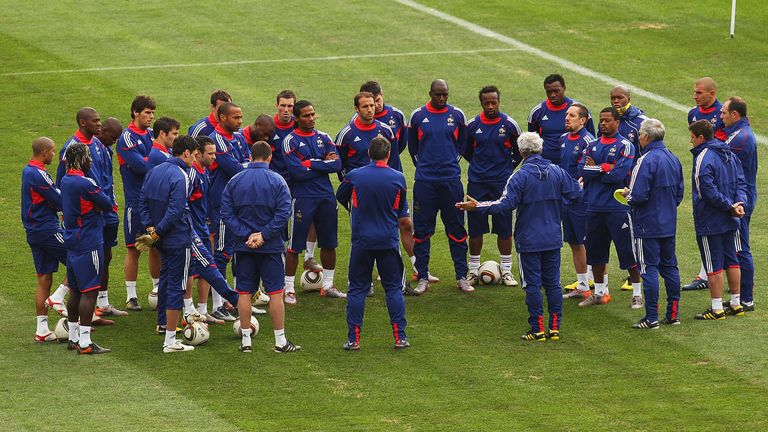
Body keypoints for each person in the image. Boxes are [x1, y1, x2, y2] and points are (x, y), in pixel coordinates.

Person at [457, 132, 581, 341]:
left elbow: (505, 204)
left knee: (532, 284)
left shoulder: (520, 176)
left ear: (521, 152)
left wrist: (477, 206)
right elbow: (576, 194)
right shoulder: (557, 172)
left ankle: (537, 329)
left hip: (529, 240)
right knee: (553, 283)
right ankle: (555, 328)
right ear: (540, 149)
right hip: (552, 237)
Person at [138, 135, 241, 351]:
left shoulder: (154, 171)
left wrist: (151, 229)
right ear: (186, 153)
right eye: (194, 155)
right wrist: (157, 233)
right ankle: (170, 341)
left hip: (165, 236)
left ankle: (163, 323)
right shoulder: (181, 175)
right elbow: (176, 211)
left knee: (169, 276)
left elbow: (143, 202)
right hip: (180, 236)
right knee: (182, 282)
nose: (195, 160)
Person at [222, 141, 300, 353]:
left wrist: (247, 235)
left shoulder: (235, 180)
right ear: (269, 157)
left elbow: (227, 213)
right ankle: (280, 341)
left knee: (244, 292)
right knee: (275, 292)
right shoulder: (277, 180)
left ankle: (246, 341)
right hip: (271, 247)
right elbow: (284, 213)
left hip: (243, 246)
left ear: (250, 156)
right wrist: (263, 235)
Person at [337, 136, 410, 350]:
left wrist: (355, 209)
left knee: (357, 289)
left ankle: (353, 340)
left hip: (362, 241)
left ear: (369, 154)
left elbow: (340, 196)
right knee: (393, 289)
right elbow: (400, 209)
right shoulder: (398, 178)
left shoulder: (355, 176)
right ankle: (400, 338)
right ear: (389, 154)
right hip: (388, 240)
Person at [56, 108, 124, 321]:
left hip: (104, 211)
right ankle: (83, 318)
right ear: (83, 122)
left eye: (99, 120)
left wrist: (109, 204)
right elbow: (63, 183)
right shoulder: (72, 148)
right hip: (87, 217)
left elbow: (106, 177)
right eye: (95, 121)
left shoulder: (98, 144)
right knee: (89, 263)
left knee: (106, 255)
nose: (99, 124)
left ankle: (100, 306)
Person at [358, 80, 427, 285]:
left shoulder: (396, 116)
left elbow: (401, 145)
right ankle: (384, 269)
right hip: (373, 186)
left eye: (377, 101)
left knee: (405, 223)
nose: (374, 107)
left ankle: (419, 268)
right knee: (382, 227)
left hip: (395, 181)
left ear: (381, 96)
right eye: (369, 103)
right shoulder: (356, 124)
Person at [408, 79, 471, 294]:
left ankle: (461, 277)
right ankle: (422, 277)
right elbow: (412, 148)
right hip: (425, 183)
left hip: (451, 181)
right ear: (430, 94)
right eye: (438, 95)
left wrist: (450, 163)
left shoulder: (458, 115)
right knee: (423, 231)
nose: (442, 98)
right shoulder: (417, 116)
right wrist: (426, 167)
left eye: (445, 94)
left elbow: (463, 144)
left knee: (456, 229)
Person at [622, 119, 684, 329]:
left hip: (647, 225)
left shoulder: (645, 160)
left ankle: (651, 318)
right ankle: (673, 314)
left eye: (640, 135)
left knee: (648, 269)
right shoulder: (674, 159)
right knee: (670, 267)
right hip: (668, 223)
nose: (639, 138)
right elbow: (679, 194)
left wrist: (627, 195)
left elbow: (638, 195)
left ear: (646, 137)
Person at [283, 100, 346, 302]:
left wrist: (311, 163)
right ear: (296, 118)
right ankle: (289, 289)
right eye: (306, 116)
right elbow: (297, 172)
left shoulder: (323, 137)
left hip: (326, 197)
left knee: (329, 243)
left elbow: (336, 164)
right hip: (303, 197)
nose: (311, 119)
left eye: (312, 115)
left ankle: (328, 285)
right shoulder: (290, 141)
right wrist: (322, 165)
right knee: (294, 246)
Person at [578, 107, 641, 307]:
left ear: (617, 122)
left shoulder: (626, 145)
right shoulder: (593, 144)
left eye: (607, 120)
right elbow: (581, 169)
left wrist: (596, 167)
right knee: (595, 253)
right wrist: (605, 167)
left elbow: (619, 175)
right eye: (601, 120)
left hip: (617, 209)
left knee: (628, 252)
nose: (603, 124)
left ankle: (637, 294)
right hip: (594, 207)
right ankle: (600, 293)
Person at [688, 120, 747, 320]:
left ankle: (717, 308)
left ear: (701, 138)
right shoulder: (729, 154)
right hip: (731, 217)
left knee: (713, 263)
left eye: (692, 137)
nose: (691, 141)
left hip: (710, 219)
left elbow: (706, 191)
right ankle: (736, 303)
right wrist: (738, 204)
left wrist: (729, 206)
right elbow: (741, 182)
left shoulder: (703, 157)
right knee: (732, 259)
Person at [463, 85, 522, 287]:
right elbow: (467, 151)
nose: (490, 106)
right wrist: (481, 167)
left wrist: (507, 168)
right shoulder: (472, 125)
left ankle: (506, 271)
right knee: (476, 229)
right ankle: (472, 271)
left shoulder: (510, 124)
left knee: (504, 228)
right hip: (477, 183)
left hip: (502, 184)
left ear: (499, 102)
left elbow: (520, 151)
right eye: (486, 103)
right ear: (481, 103)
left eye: (493, 102)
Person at [61, 142, 114, 354]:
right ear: (82, 160)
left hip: (73, 240)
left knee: (75, 290)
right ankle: (85, 342)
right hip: (89, 241)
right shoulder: (86, 183)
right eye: (88, 157)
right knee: (90, 291)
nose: (91, 160)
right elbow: (107, 203)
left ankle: (73, 337)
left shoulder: (66, 180)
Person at [271, 90, 323, 277]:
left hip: (299, 182)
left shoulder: (301, 125)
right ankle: (280, 264)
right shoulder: (269, 127)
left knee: (310, 216)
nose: (286, 110)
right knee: (280, 223)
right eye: (282, 105)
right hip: (277, 184)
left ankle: (309, 256)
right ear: (276, 105)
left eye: (290, 106)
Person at [22, 137, 69, 341]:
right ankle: (59, 297)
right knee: (79, 259)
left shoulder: (28, 170)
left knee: (44, 278)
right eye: (52, 151)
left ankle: (42, 329)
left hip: (34, 231)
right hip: (46, 230)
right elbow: (58, 201)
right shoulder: (39, 174)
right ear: (44, 153)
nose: (53, 155)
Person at [683, 77, 727, 292]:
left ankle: (710, 274)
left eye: (699, 92)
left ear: (712, 93)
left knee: (714, 223)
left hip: (717, 173)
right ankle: (708, 272)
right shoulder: (693, 113)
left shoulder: (723, 114)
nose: (695, 96)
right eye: (694, 92)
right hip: (700, 170)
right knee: (705, 221)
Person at [116, 95, 158, 311]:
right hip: (135, 203)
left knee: (155, 246)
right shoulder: (127, 138)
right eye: (147, 112)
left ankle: (157, 289)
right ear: (135, 112)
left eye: (152, 112)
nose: (151, 116)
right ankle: (131, 296)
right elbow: (143, 166)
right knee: (134, 249)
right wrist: (158, 160)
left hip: (154, 202)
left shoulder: (151, 134)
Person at [207, 102, 248, 321]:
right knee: (221, 253)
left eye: (241, 117)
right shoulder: (217, 140)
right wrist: (245, 165)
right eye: (236, 118)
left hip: (238, 202)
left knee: (233, 251)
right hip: (222, 205)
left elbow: (246, 162)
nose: (240, 121)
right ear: (222, 118)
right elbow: (234, 168)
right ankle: (218, 304)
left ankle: (233, 300)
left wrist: (244, 165)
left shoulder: (239, 137)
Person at [721, 97, 757, 311]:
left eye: (724, 112)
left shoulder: (739, 139)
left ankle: (746, 298)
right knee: (738, 247)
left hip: (740, 200)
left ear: (735, 115)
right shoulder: (740, 132)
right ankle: (742, 295)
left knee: (740, 248)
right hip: (744, 195)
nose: (721, 115)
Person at [560, 104, 597, 298]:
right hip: (566, 198)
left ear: (583, 120)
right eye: (567, 115)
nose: (567, 118)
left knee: (586, 241)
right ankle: (582, 285)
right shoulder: (563, 139)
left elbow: (586, 171)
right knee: (574, 242)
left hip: (581, 200)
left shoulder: (589, 141)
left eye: (572, 115)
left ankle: (595, 283)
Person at [528, 74, 595, 165]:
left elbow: (591, 140)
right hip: (546, 166)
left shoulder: (581, 111)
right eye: (549, 92)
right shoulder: (537, 112)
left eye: (556, 91)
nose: (552, 95)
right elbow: (532, 142)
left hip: (572, 166)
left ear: (564, 88)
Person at [607, 86, 648, 153]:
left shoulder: (643, 122)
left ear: (628, 99)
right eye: (613, 98)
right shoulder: (605, 121)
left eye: (620, 98)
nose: (616, 101)